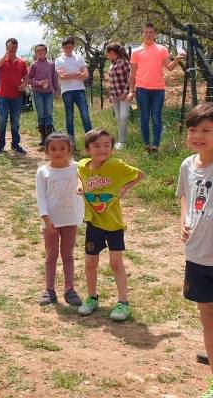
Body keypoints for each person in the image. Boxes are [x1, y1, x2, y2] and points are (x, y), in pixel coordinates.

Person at [77, 128, 145, 320]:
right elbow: (78, 173)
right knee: (90, 262)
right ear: (87, 149)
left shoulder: (115, 165)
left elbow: (140, 175)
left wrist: (124, 187)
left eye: (107, 145)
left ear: (112, 148)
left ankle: (123, 303)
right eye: (97, 146)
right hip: (94, 223)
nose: (102, 149)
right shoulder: (83, 165)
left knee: (116, 263)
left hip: (114, 224)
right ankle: (92, 298)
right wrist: (80, 185)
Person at [176, 103, 213, 397]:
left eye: (207, 130)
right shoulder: (187, 165)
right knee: (207, 315)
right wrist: (183, 222)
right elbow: (185, 198)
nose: (198, 135)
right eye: (193, 130)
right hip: (198, 255)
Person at [35, 132, 83, 306]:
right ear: (47, 151)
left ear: (69, 149)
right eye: (53, 149)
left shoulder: (78, 168)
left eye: (63, 148)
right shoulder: (43, 172)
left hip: (70, 218)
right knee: (51, 255)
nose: (58, 152)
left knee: (68, 255)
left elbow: (86, 181)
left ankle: (69, 289)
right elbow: (41, 197)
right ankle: (49, 290)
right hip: (51, 221)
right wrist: (46, 220)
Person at [127, 23, 186, 153]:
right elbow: (132, 74)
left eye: (151, 32)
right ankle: (147, 144)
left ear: (155, 34)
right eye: (146, 32)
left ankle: (155, 146)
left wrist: (176, 59)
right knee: (144, 117)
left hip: (159, 89)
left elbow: (169, 67)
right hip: (142, 89)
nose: (148, 34)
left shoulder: (162, 49)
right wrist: (131, 91)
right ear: (142, 34)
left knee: (156, 117)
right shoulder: (136, 52)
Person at [0, 38, 28, 154]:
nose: (12, 49)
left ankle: (15, 144)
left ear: (17, 47)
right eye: (10, 47)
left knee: (15, 121)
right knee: (2, 120)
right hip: (3, 96)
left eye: (14, 47)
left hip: (17, 96)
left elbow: (26, 77)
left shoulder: (22, 62)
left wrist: (23, 85)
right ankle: (1, 144)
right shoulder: (2, 60)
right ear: (6, 47)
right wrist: (7, 52)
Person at [56, 37, 92, 143]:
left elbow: (86, 75)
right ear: (63, 47)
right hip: (66, 91)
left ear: (73, 47)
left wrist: (70, 75)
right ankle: (71, 142)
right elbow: (62, 76)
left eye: (70, 47)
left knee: (85, 116)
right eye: (66, 47)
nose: (68, 49)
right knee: (69, 117)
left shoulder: (79, 58)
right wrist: (77, 74)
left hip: (79, 90)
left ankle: (90, 141)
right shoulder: (58, 60)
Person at [28, 44, 59, 150]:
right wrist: (39, 83)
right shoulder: (33, 65)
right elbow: (29, 79)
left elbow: (54, 77)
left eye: (41, 51)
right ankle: (43, 137)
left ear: (46, 51)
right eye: (37, 51)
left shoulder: (51, 64)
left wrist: (56, 90)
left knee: (49, 113)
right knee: (41, 114)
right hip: (37, 92)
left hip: (49, 92)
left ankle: (49, 138)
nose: (40, 53)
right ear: (35, 53)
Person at [106, 43, 132, 150]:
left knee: (123, 117)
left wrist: (125, 92)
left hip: (124, 95)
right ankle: (120, 140)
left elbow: (130, 78)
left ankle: (123, 141)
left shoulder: (124, 62)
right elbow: (112, 81)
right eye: (109, 54)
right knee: (118, 118)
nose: (109, 55)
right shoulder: (112, 64)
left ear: (116, 53)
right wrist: (110, 95)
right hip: (115, 96)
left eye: (111, 53)